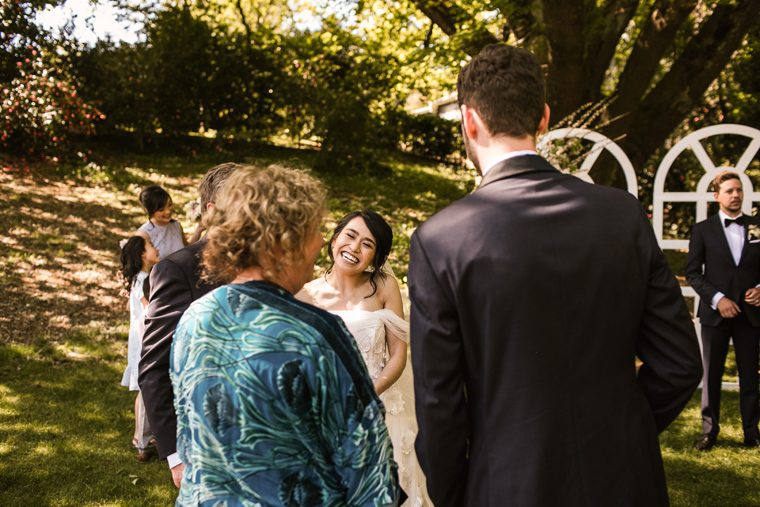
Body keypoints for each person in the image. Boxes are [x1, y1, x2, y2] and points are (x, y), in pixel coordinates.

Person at [407, 43, 702, 507]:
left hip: (506, 484)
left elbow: (439, 404)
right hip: (626, 481)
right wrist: (623, 434)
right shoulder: (621, 216)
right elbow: (681, 364)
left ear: (469, 121)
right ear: (544, 118)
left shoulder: (440, 239)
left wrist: (454, 494)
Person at [171, 166, 405, 506]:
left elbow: (190, 436)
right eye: (313, 230)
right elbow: (369, 470)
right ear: (283, 242)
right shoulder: (318, 331)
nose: (322, 241)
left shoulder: (195, 318)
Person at [298, 210, 432, 506]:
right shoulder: (305, 294)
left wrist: (369, 395)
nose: (355, 248)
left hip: (380, 405)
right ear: (334, 240)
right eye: (350, 235)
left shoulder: (384, 286)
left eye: (367, 244)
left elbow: (398, 352)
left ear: (376, 256)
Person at [139, 162, 240, 487]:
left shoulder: (268, 262)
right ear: (212, 211)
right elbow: (154, 367)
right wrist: (176, 455)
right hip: (204, 440)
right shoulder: (177, 269)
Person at [685, 170, 760, 451]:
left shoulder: (757, 227)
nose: (736, 195)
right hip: (716, 314)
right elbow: (692, 273)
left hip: (751, 315)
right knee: (712, 374)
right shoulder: (702, 230)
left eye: (739, 190)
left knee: (750, 375)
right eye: (729, 190)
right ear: (717, 196)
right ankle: (709, 431)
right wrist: (719, 299)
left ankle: (752, 433)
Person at [118, 231, 160, 462]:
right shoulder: (146, 281)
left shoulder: (138, 279)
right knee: (147, 391)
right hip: (146, 340)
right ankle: (143, 443)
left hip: (139, 338)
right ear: (144, 254)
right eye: (152, 245)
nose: (156, 248)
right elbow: (148, 311)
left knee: (146, 390)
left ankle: (143, 437)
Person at [138, 184, 204, 259]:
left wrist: (199, 229)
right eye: (161, 210)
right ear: (148, 211)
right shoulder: (144, 234)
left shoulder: (176, 225)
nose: (168, 211)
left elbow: (186, 246)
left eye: (169, 205)